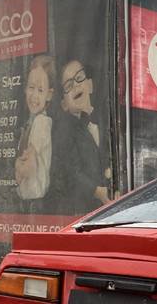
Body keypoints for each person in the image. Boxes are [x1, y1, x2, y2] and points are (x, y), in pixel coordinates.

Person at [47, 59, 110, 214]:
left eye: (79, 78)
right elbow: (70, 170)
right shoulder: (65, 132)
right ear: (64, 105)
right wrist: (96, 190)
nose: (75, 85)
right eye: (68, 85)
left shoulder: (106, 120)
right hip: (83, 211)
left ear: (90, 85)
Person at [15, 55, 55, 202]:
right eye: (31, 88)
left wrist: (18, 168)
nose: (34, 96)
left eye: (40, 90)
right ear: (25, 89)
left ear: (49, 95)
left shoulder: (41, 123)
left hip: (34, 199)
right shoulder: (32, 122)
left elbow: (29, 166)